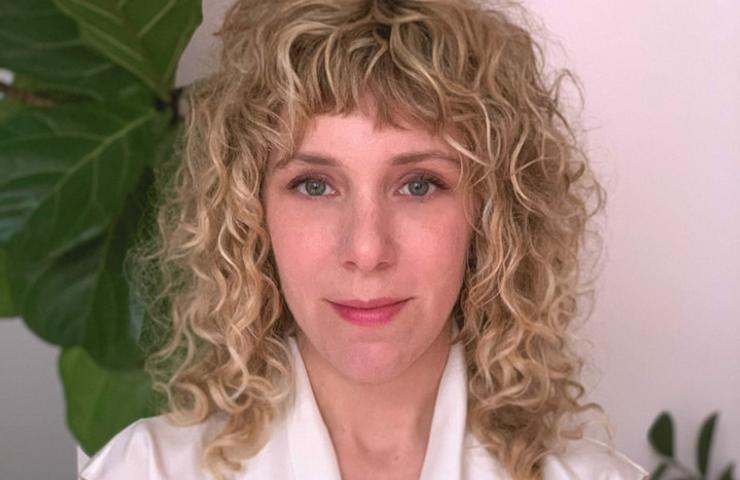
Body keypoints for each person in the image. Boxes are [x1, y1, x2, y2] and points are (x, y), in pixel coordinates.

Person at [79, 0, 648, 479]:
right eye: (314, 185)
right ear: (251, 214)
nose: (368, 250)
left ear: (493, 214)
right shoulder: (148, 469)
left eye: (419, 184)